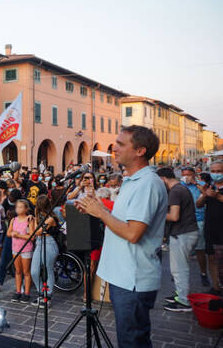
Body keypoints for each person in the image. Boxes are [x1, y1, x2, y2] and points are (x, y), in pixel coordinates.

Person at [76, 125, 167, 347]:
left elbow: (133, 233)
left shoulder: (146, 184)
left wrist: (101, 213)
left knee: (132, 341)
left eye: (121, 144)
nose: (114, 148)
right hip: (124, 277)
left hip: (133, 280)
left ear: (140, 151)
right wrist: (99, 210)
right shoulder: (132, 181)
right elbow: (124, 223)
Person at [156, 167, 199, 312]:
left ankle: (183, 301)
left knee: (178, 269)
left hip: (182, 233)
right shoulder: (181, 188)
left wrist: (156, 214)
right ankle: (180, 294)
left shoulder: (175, 191)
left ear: (163, 179)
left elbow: (174, 216)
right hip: (187, 232)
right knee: (181, 267)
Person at [196, 160, 223, 295]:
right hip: (210, 228)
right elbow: (199, 204)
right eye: (213, 171)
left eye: (219, 171)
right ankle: (216, 286)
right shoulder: (210, 186)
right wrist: (204, 194)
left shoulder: (217, 190)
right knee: (211, 258)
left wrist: (217, 196)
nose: (216, 174)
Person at [181, 167, 210, 286]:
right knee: (183, 251)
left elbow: (207, 194)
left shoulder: (202, 184)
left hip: (199, 219)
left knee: (200, 249)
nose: (186, 177)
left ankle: (203, 273)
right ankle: (181, 275)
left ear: (194, 175)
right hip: (184, 220)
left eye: (189, 174)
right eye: (184, 174)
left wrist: (195, 183)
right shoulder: (181, 185)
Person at [30, 195, 60, 308]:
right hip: (39, 243)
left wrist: (32, 220)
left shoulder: (51, 218)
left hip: (49, 243)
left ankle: (48, 295)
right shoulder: (39, 216)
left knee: (48, 269)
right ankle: (41, 292)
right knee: (34, 271)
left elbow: (36, 232)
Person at [8, 199, 35, 303]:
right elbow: (8, 233)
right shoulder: (13, 220)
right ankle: (18, 291)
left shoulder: (29, 220)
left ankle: (27, 293)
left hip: (26, 249)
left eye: (20, 207)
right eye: (17, 207)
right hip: (15, 248)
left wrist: (19, 235)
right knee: (18, 271)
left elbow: (32, 237)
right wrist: (12, 234)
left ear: (26, 209)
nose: (18, 209)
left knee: (26, 272)